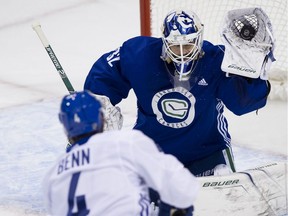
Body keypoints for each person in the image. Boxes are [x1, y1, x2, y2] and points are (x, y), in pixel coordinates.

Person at [84, 9, 273, 205]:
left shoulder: (216, 60)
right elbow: (107, 71)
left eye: (189, 45)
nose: (183, 53)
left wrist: (253, 71)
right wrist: (96, 102)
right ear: (164, 42)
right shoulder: (141, 56)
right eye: (175, 47)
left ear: (198, 40)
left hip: (207, 153)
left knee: (222, 205)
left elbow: (242, 102)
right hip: (152, 155)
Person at [43, 90, 199, 216]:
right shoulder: (124, 143)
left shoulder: (53, 173)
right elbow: (182, 187)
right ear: (101, 118)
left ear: (64, 125)